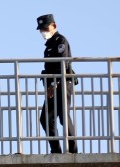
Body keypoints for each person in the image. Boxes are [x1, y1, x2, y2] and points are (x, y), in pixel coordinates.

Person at [36, 13, 78, 153]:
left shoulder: (61, 41)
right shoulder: (49, 45)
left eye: (45, 28)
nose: (44, 32)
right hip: (51, 87)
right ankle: (56, 150)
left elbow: (63, 65)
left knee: (63, 116)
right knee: (46, 119)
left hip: (62, 84)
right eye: (42, 30)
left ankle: (73, 150)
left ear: (54, 26)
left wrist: (54, 85)